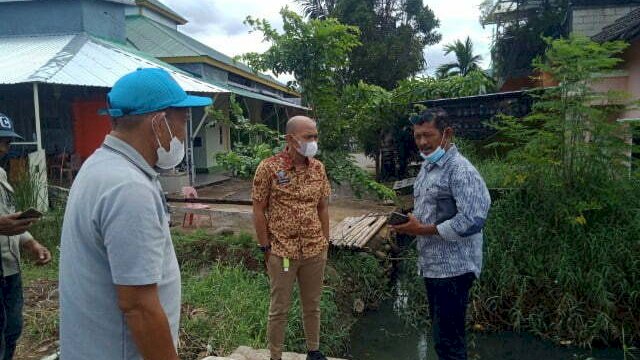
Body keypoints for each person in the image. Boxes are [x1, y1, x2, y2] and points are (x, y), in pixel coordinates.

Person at [59, 68, 212, 360]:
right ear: (159, 123)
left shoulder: (102, 167)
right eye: (182, 121)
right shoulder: (128, 188)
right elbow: (138, 306)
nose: (183, 133)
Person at [392, 108, 491, 360]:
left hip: (454, 270)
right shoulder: (428, 167)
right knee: (442, 340)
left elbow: (472, 219)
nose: (423, 143)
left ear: (447, 134)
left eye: (428, 135)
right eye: (417, 137)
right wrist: (410, 222)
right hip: (433, 267)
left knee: (450, 343)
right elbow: (430, 209)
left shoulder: (461, 171)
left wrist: (420, 229)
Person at [252, 116, 331, 360]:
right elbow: (258, 208)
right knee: (279, 309)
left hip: (314, 251)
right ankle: (275, 355)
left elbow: (323, 208)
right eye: (309, 137)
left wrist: (325, 243)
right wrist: (266, 247)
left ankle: (313, 350)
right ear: (290, 139)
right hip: (283, 253)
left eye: (315, 136)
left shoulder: (318, 168)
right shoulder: (269, 167)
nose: (313, 141)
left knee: (313, 304)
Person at [0, 112, 51, 360]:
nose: (3, 148)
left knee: (11, 330)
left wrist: (31, 243)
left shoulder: (0, 175)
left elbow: (8, 218)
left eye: (7, 143)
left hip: (10, 269)